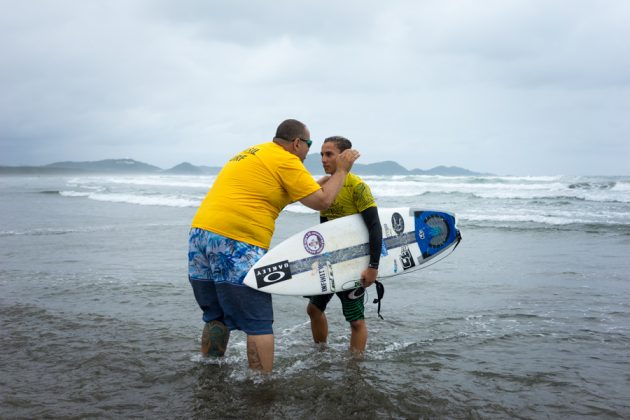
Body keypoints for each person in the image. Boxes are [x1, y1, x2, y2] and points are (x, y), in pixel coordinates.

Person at [188, 119, 360, 373]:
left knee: (216, 315)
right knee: (258, 322)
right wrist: (343, 170)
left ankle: (210, 371)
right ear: (297, 143)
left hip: (200, 237)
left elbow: (292, 192)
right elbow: (322, 202)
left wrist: (325, 180)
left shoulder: (251, 153)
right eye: (309, 145)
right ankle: (261, 387)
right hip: (237, 240)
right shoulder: (286, 160)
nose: (309, 152)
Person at [305, 136, 382, 356]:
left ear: (343, 157)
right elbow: (324, 229)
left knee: (356, 321)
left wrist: (373, 266)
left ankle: (355, 366)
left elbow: (375, 228)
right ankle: (320, 352)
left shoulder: (357, 187)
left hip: (353, 264)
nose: (323, 159)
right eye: (321, 154)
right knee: (313, 309)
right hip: (330, 263)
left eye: (328, 154)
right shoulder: (327, 187)